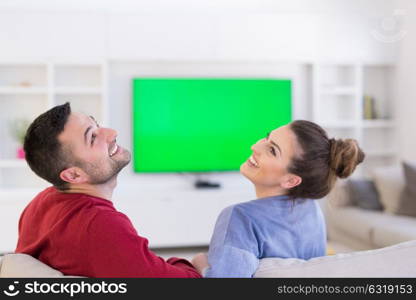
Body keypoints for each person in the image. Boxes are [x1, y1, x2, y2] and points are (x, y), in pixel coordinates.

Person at [15, 102, 201, 278]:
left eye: (96, 124)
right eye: (92, 137)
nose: (112, 133)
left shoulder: (42, 201)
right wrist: (193, 264)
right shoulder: (100, 224)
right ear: (73, 176)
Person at [191, 120, 365, 277]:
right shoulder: (312, 209)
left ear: (291, 180)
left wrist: (199, 261)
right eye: (267, 138)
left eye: (272, 150)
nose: (255, 146)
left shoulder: (240, 217)